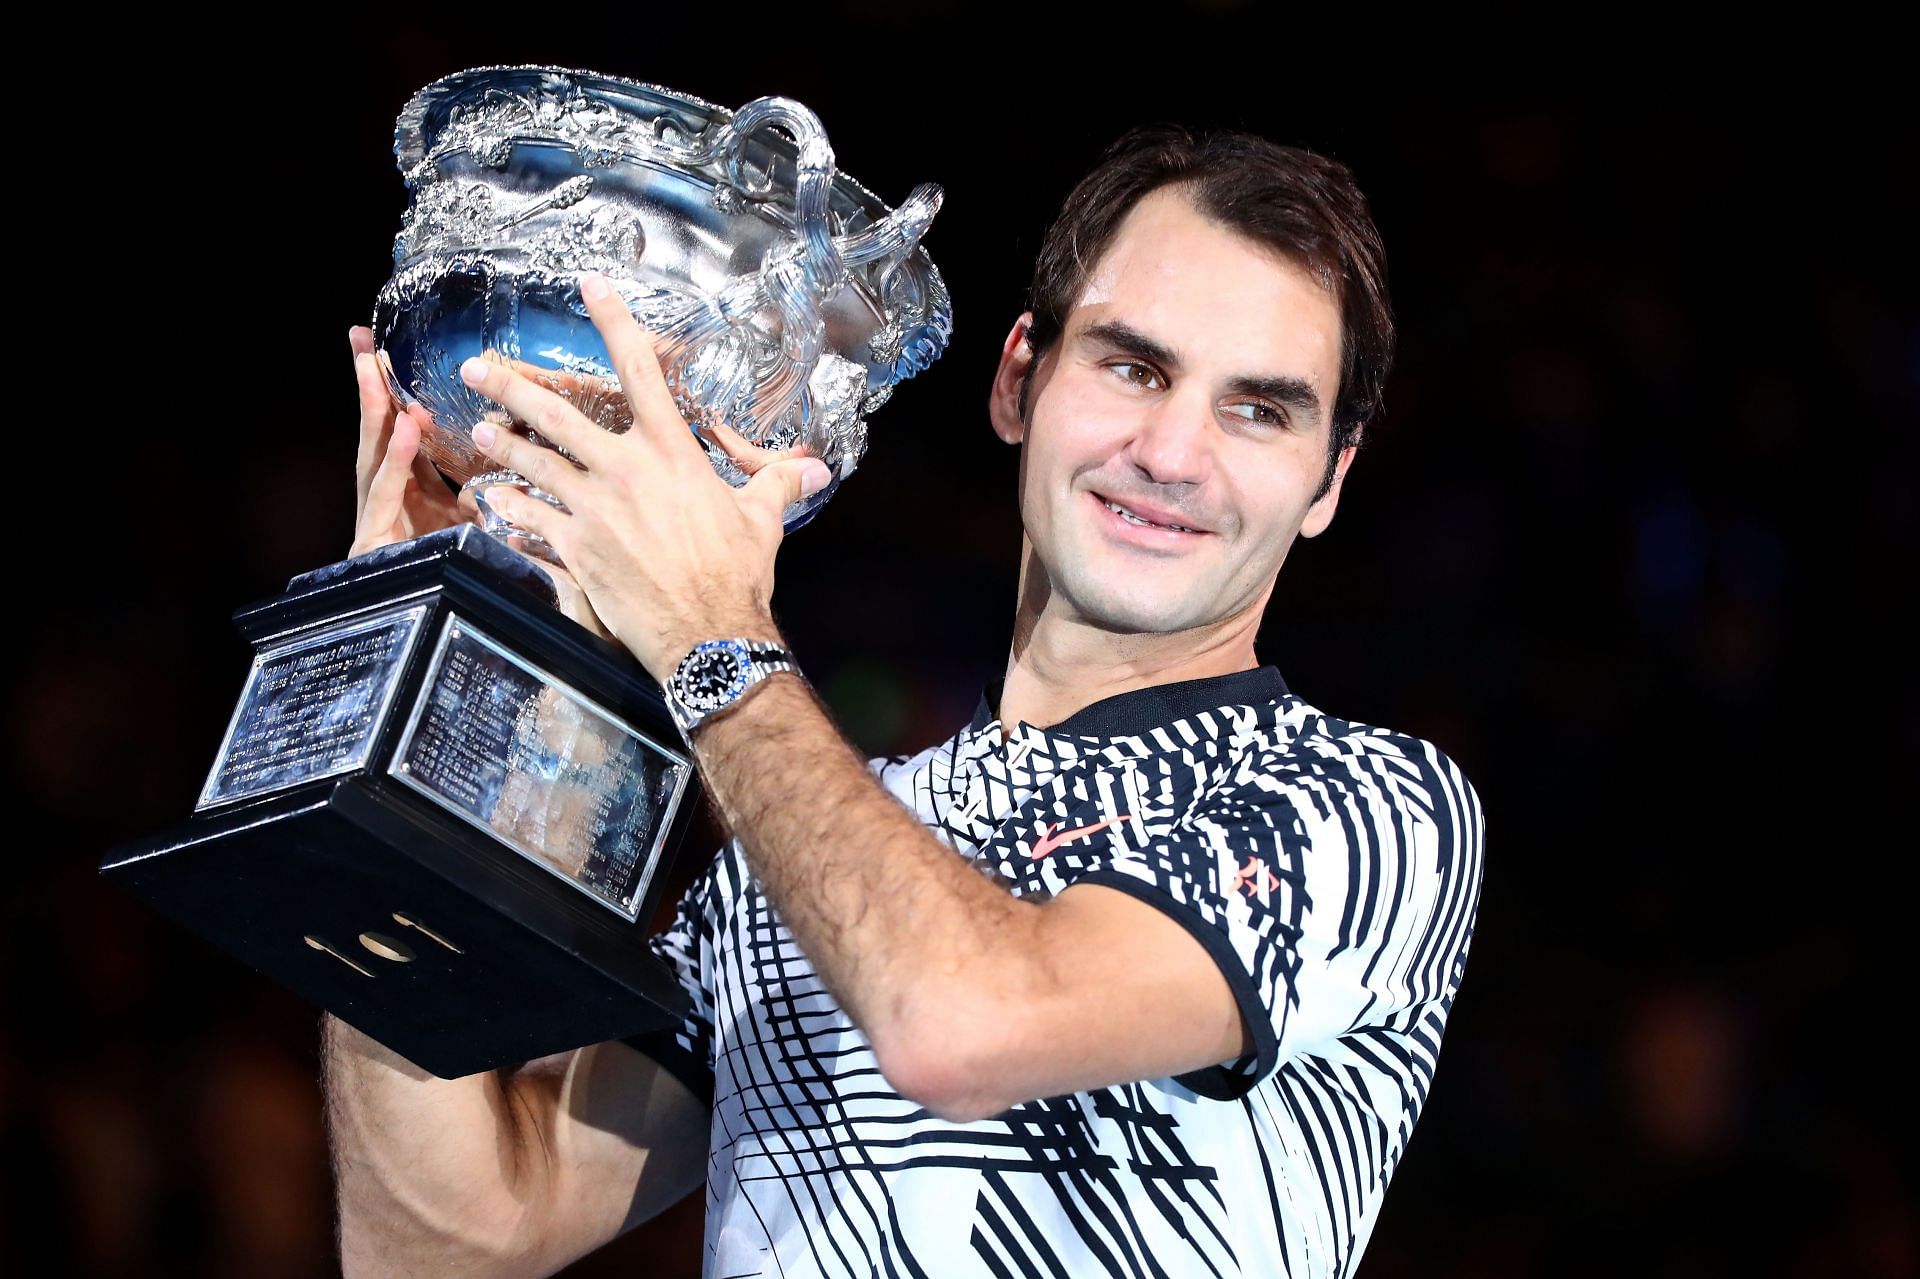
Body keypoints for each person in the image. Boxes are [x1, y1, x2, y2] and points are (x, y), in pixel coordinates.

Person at [325, 123, 1486, 1279]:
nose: (1173, 453)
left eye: (1258, 410)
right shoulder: (798, 849)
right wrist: (428, 680)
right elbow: (436, 1242)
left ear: (1329, 478)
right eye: (1133, 367)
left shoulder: (1366, 805)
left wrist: (704, 628)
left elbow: (964, 1025)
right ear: (1020, 378)